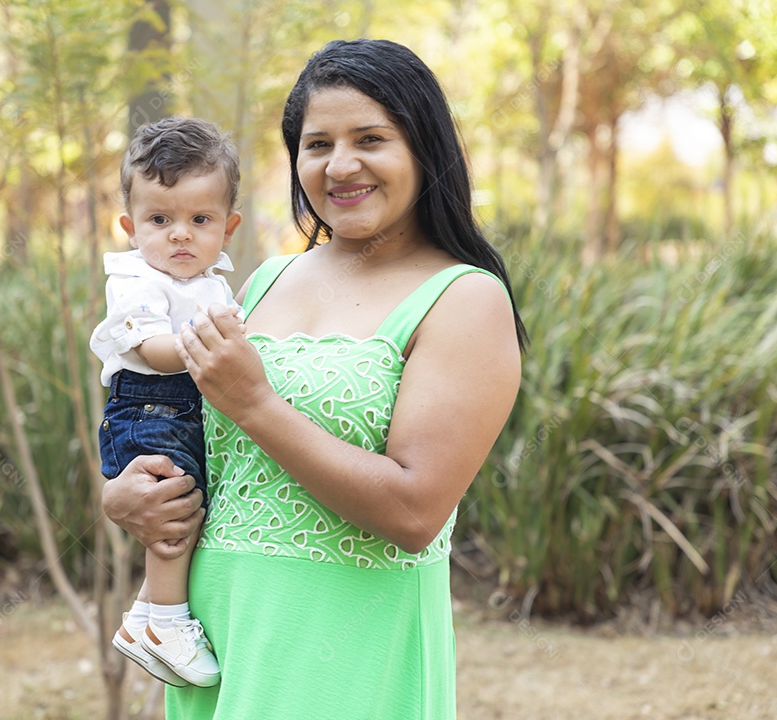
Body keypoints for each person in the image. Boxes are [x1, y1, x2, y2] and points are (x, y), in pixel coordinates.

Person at [104, 39, 528, 718]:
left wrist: (256, 404)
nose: (341, 165)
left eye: (370, 139)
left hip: (344, 649)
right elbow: (212, 453)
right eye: (317, 143)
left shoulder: (464, 299)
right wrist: (125, 499)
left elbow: (416, 512)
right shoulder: (268, 278)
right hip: (219, 637)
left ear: (424, 147)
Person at [90, 116, 243, 689]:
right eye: (160, 219)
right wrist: (214, 348)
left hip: (185, 407)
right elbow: (153, 351)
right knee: (174, 512)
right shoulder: (136, 280)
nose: (180, 235)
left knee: (190, 503)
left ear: (227, 227)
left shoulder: (213, 284)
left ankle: (147, 614)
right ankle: (167, 622)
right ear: (131, 227)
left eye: (199, 220)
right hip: (148, 408)